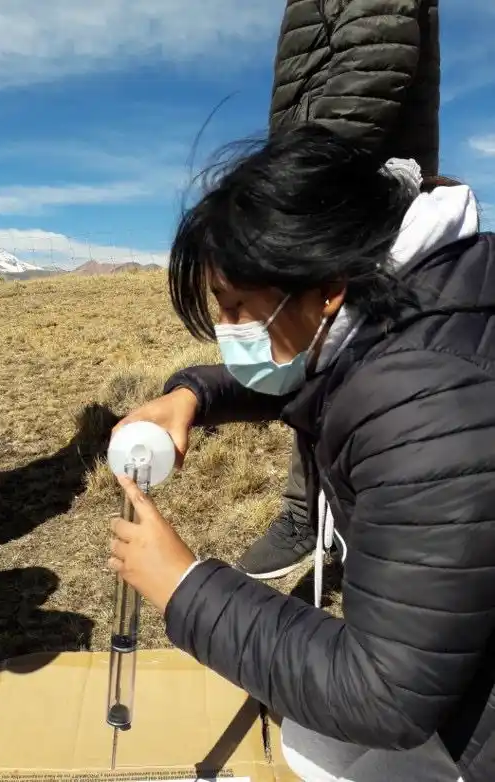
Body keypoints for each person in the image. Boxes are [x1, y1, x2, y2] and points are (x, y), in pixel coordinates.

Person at [109, 126, 495, 781]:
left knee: (324, 746)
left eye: (236, 309)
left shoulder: (428, 407)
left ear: (329, 286)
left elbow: (384, 695)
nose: (229, 331)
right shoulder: (431, 296)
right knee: (311, 740)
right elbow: (325, 368)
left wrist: (183, 587)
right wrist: (196, 395)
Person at [239, 0, 441, 580]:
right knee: (318, 352)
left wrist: (304, 178)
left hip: (356, 183)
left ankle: (355, 521)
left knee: (366, 358)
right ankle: (309, 510)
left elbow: (377, 60)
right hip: (327, 175)